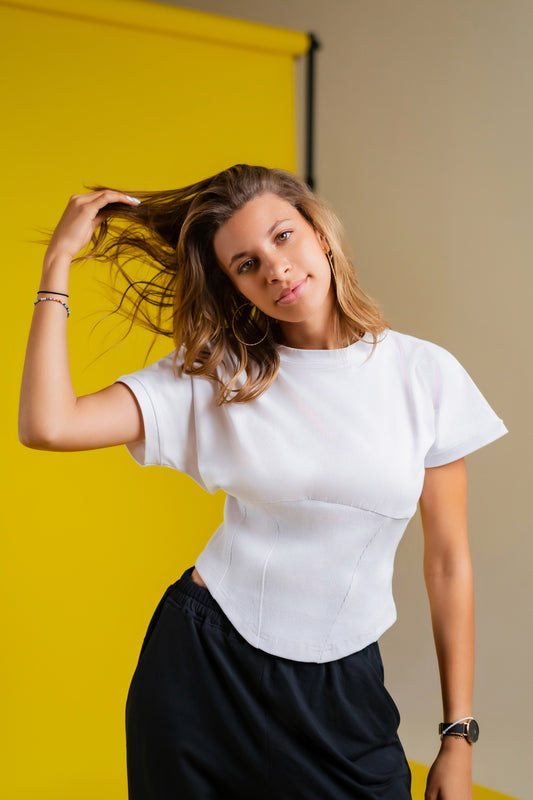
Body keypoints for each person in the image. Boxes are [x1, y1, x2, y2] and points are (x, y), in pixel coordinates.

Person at [19, 165, 507, 800]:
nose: (274, 269)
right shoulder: (217, 376)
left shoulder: (423, 375)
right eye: (246, 264)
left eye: (283, 237)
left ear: (321, 235)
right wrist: (57, 264)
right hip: (205, 668)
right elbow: (48, 425)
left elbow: (447, 561)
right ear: (234, 285)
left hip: (342, 682)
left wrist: (457, 734)